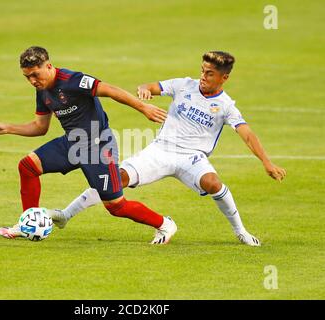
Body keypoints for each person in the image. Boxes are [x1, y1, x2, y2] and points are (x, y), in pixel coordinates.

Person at [49, 51, 287, 246]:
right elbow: (151, 86)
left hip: (192, 158)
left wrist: (266, 162)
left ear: (223, 78)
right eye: (202, 70)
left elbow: (246, 133)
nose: (203, 76)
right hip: (160, 151)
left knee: (214, 184)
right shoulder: (184, 85)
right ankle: (65, 215)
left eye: (209, 73)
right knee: (114, 179)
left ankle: (241, 231)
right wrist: (144, 90)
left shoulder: (226, 106)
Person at [0, 46, 177, 244]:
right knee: (27, 166)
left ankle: (164, 224)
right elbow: (40, 127)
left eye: (35, 74)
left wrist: (143, 107)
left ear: (49, 66)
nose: (32, 81)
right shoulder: (42, 90)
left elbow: (110, 90)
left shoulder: (73, 80)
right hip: (73, 143)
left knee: (116, 206)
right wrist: (8, 128)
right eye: (27, 77)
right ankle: (27, 224)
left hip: (98, 147)